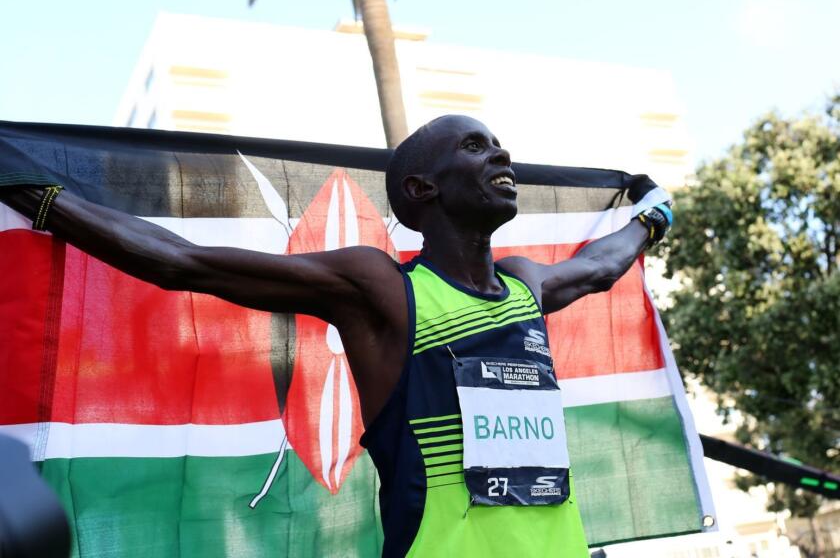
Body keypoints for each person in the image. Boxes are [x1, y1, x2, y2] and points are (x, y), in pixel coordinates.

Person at [0, 115, 672, 557]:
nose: (500, 152)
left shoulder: (525, 287)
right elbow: (184, 264)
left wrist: (650, 219)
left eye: (496, 142)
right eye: (474, 145)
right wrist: (37, 197)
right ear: (421, 187)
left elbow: (598, 267)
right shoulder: (383, 289)